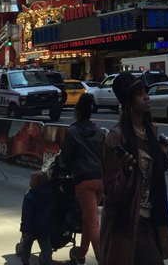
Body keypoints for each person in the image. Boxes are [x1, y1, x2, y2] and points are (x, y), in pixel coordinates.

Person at [100, 72, 168, 265]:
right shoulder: (117, 138)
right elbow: (109, 191)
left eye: (145, 92)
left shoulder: (151, 133)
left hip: (154, 216)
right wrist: (125, 173)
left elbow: (152, 175)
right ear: (129, 103)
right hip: (130, 220)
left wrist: (163, 155)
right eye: (140, 94)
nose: (147, 97)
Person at [60, 93, 106, 264]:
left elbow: (65, 158)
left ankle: (102, 259)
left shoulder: (72, 132)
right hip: (99, 179)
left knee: (92, 222)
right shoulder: (100, 132)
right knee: (88, 218)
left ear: (77, 111)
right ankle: (81, 253)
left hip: (83, 180)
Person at [19, 170, 53, 265]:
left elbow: (26, 215)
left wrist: (24, 229)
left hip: (31, 228)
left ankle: (25, 261)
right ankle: (48, 262)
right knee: (46, 249)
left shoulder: (29, 196)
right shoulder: (49, 194)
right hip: (44, 227)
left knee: (26, 245)